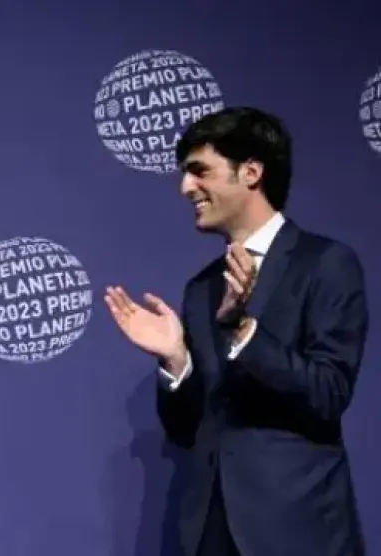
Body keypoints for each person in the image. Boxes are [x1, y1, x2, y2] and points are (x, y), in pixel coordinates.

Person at [104, 107, 367, 556]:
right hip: (211, 531)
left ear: (251, 173)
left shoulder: (326, 265)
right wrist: (176, 361)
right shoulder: (201, 289)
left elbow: (328, 392)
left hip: (297, 528)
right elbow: (188, 430)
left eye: (199, 171)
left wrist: (243, 330)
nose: (186, 187)